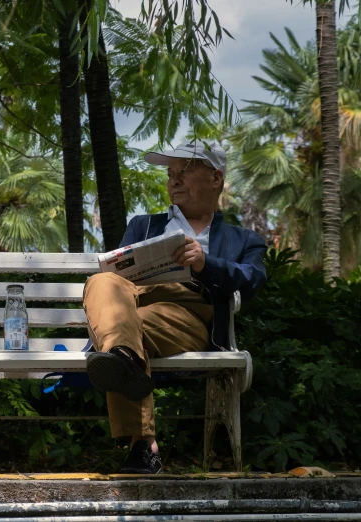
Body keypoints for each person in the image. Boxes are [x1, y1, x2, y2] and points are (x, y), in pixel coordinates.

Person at [83, 140, 268, 474]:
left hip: (187, 314)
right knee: (101, 282)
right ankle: (122, 357)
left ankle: (141, 437)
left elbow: (252, 280)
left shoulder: (243, 240)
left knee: (127, 332)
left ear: (216, 178)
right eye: (170, 174)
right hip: (131, 306)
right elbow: (118, 276)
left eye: (184, 171)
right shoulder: (144, 225)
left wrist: (205, 263)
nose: (174, 180)